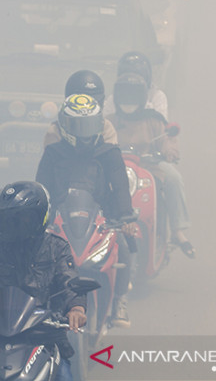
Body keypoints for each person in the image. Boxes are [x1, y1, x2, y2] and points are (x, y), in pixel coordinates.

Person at [0, 180, 87, 381]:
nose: (15, 224)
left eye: (23, 218)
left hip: (44, 339)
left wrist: (76, 308)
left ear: (40, 217)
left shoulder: (56, 248)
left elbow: (69, 282)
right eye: (9, 219)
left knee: (67, 377)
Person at [36, 93, 135, 328]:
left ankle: (120, 300)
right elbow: (41, 189)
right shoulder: (53, 153)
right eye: (78, 126)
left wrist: (126, 217)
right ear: (64, 125)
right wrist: (38, 220)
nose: (84, 132)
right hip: (59, 220)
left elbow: (121, 187)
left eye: (89, 125)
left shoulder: (109, 153)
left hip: (102, 218)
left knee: (125, 245)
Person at [107, 72, 195, 259]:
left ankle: (177, 231)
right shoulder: (110, 121)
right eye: (124, 94)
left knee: (174, 178)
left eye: (133, 94)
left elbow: (167, 140)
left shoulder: (153, 119)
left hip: (149, 167)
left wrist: (170, 152)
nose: (128, 100)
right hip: (115, 169)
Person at [43, 69, 118, 146]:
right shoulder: (56, 131)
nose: (87, 108)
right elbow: (51, 155)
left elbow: (111, 155)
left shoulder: (106, 128)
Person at [103, 51, 168, 120]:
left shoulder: (157, 96)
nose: (131, 82)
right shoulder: (113, 99)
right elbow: (106, 125)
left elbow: (161, 125)